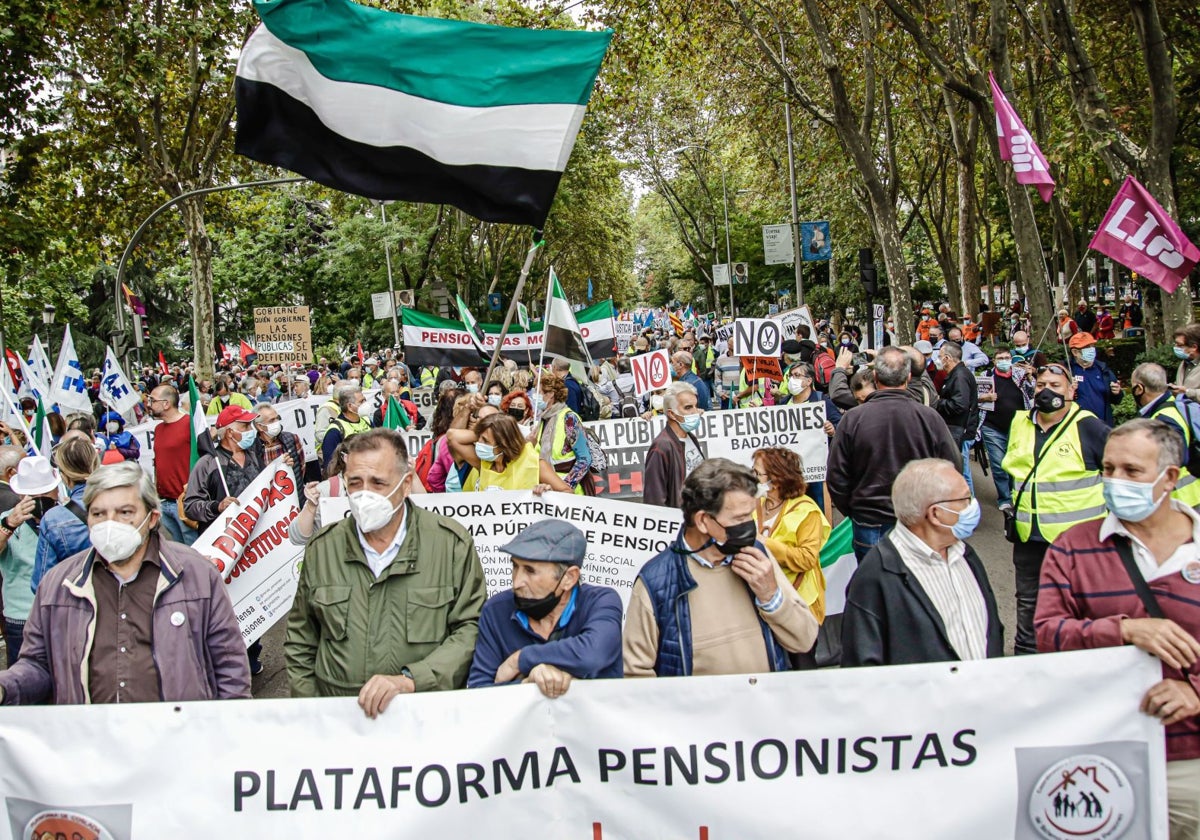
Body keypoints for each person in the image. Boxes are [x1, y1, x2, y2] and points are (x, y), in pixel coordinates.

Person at [1035, 419, 1200, 837]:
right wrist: (1124, 631)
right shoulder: (1072, 548)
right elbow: (1049, 635)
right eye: (1107, 469)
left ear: (1169, 478)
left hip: (1190, 762)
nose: (1114, 481)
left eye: (1131, 471)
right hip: (1103, 757)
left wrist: (1194, 690)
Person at [0, 462, 250, 704]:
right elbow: (38, 665)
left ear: (152, 518)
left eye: (125, 512)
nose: (110, 523)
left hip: (177, 739)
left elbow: (229, 666)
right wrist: (6, 687)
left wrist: (227, 730)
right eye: (99, 513)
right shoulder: (58, 585)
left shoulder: (196, 575)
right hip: (92, 740)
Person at [284, 430, 486, 716]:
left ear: (405, 485)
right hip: (339, 722)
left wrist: (412, 680)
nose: (364, 493)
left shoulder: (449, 544)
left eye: (378, 483)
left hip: (421, 716)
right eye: (355, 482)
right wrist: (312, 709)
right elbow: (301, 639)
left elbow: (470, 628)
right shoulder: (323, 547)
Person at [623, 459, 819, 677]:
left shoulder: (757, 557)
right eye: (740, 518)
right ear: (703, 521)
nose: (750, 526)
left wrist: (771, 596)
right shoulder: (656, 583)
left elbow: (805, 639)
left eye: (750, 516)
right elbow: (635, 676)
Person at [841, 458, 1004, 666]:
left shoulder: (966, 556)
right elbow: (863, 669)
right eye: (965, 499)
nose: (972, 506)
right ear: (935, 514)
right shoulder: (876, 577)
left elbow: (991, 630)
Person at [1001, 362, 1109, 654]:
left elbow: (1117, 472)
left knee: (1078, 601)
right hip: (1028, 536)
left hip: (1075, 541)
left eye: (1055, 386)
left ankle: (1077, 655)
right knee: (1028, 601)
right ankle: (1027, 656)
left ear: (1072, 390)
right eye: (1040, 385)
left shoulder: (1088, 426)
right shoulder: (1020, 422)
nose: (1046, 391)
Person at [826, 346, 960, 561]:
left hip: (872, 521)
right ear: (908, 377)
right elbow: (953, 467)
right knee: (917, 588)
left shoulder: (853, 419)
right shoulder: (929, 418)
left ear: (876, 376)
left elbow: (836, 474)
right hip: (915, 521)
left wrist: (857, 510)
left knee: (875, 590)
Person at [468, 520, 622, 696]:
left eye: (530, 571)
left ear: (569, 578)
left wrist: (520, 659)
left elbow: (593, 653)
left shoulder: (600, 601)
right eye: (515, 566)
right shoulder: (496, 611)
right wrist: (527, 684)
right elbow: (478, 693)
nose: (517, 582)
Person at [752, 448, 830, 638]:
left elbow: (807, 559)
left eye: (758, 474)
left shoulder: (806, 511)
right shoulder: (754, 505)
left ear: (776, 479)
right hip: (762, 603)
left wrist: (766, 544)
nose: (753, 478)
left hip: (798, 603)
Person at [0, 454, 52, 664]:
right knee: (23, 684)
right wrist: (8, 525)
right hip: (21, 615)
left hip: (59, 611)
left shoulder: (66, 515)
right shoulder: (7, 518)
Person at [31, 434, 99, 592]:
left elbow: (41, 584)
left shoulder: (54, 519)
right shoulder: (126, 503)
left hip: (76, 602)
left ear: (63, 476)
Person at [1130, 363, 1200, 509]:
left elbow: (1177, 458)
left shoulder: (1162, 420)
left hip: (1180, 502)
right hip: (1187, 498)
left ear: (1139, 389)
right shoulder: (1175, 406)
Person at [450, 412, 563, 493]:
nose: (478, 443)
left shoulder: (535, 464)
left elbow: (568, 493)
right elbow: (452, 436)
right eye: (478, 438)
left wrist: (549, 492)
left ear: (503, 446)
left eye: (485, 440)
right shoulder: (483, 463)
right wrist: (484, 430)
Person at [977, 348, 1033, 512]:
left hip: (1018, 426)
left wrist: (1030, 376)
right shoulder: (986, 377)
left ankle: (1016, 493)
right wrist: (984, 398)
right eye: (1000, 358)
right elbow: (974, 398)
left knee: (1016, 462)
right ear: (994, 361)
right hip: (992, 427)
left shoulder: (1020, 375)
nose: (1004, 361)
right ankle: (1005, 497)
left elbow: (1033, 394)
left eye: (1007, 358)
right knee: (999, 463)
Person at [148, 385, 198, 546]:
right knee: (178, 549)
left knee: (193, 549)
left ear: (166, 404)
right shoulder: (158, 429)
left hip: (184, 502)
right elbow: (158, 462)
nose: (149, 404)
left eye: (153, 400)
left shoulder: (189, 425)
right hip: (165, 502)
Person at [643, 381, 705, 509]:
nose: (696, 412)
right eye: (688, 407)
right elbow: (654, 501)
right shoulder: (661, 447)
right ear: (671, 414)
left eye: (695, 406)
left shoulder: (690, 438)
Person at [533, 373, 592, 494]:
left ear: (550, 394)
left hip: (568, 492)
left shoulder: (569, 419)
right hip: (546, 489)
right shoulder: (542, 420)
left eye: (538, 392)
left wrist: (565, 486)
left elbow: (585, 459)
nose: (535, 396)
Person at [935, 343, 981, 492]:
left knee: (962, 471)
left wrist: (938, 401)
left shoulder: (960, 376)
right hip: (959, 428)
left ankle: (968, 506)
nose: (938, 360)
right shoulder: (957, 374)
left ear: (947, 358)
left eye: (940, 357)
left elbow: (959, 405)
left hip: (960, 429)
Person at [1067, 331, 1122, 426]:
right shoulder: (1067, 370)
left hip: (1102, 425)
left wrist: (1117, 392)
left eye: (1092, 346)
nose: (1091, 350)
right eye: (1087, 348)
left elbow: (1117, 400)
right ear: (1075, 352)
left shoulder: (1103, 369)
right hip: (1075, 426)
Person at [320, 385, 371, 477]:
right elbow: (330, 466)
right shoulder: (335, 431)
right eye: (361, 401)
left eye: (365, 400)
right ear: (350, 406)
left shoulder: (367, 420)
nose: (365, 403)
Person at [254, 404, 304, 490]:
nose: (277, 422)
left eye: (277, 418)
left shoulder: (291, 439)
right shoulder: (253, 449)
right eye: (272, 420)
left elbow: (302, 467)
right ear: (259, 426)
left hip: (295, 495)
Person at [1173, 323, 1200, 402]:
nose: (1175, 347)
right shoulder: (1185, 363)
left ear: (1194, 347)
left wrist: (1187, 392)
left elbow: (1186, 390)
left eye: (1180, 345)